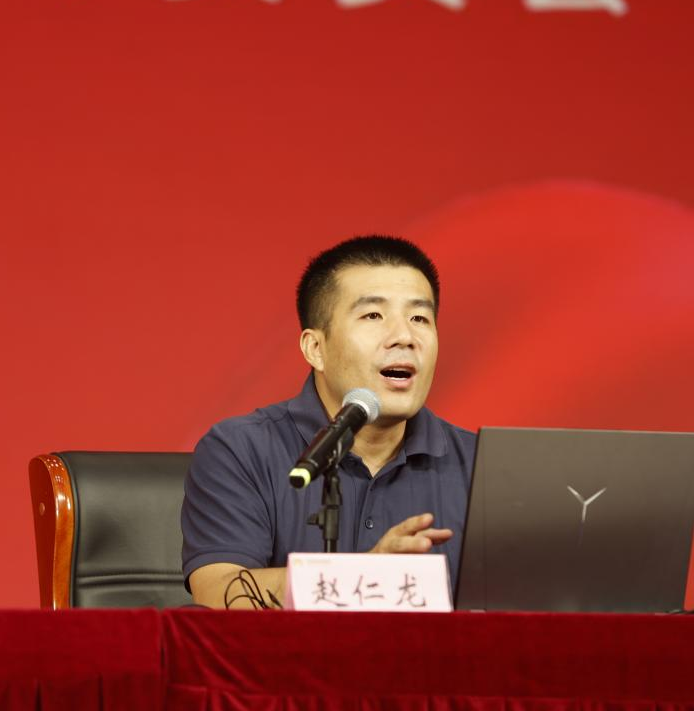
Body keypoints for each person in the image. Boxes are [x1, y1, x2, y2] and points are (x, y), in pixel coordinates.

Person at [181, 235, 477, 608]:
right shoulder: (241, 450)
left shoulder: (479, 465)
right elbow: (218, 594)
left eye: (419, 318)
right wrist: (365, 578)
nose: (405, 337)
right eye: (373, 315)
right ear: (315, 348)